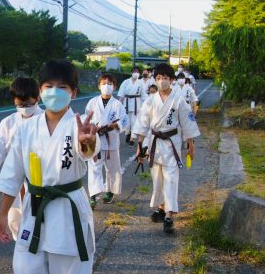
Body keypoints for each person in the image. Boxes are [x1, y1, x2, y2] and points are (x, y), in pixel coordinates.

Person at [0, 59, 100, 274]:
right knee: (25, 270)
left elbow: (88, 151)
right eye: (48, 86)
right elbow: (12, 174)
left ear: (73, 93)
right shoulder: (26, 129)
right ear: (40, 92)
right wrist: (4, 213)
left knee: (69, 273)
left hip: (67, 210)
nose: (55, 92)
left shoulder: (79, 127)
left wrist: (87, 141)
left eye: (62, 87)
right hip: (34, 209)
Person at [132, 63, 200, 234]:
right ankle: (162, 208)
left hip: (172, 143)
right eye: (159, 78)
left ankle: (169, 215)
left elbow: (188, 124)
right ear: (155, 80)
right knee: (157, 179)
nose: (162, 81)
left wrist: (190, 145)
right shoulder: (150, 101)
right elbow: (142, 124)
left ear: (172, 80)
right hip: (154, 142)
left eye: (166, 78)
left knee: (171, 178)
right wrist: (139, 146)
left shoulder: (179, 101)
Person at [0, 77, 43, 240]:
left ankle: (37, 245)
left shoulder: (46, 120)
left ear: (38, 98)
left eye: (29, 104)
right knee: (16, 215)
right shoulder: (8, 122)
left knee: (39, 215)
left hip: (39, 176)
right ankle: (21, 243)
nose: (25, 108)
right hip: (16, 177)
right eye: (20, 105)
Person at [85, 73, 128, 209]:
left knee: (113, 168)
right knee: (94, 168)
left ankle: (110, 191)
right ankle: (93, 195)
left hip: (111, 140)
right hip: (96, 140)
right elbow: (85, 119)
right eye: (104, 83)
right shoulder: (92, 102)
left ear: (114, 87)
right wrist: (92, 128)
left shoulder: (117, 104)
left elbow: (125, 120)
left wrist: (115, 125)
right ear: (99, 86)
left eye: (110, 84)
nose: (106, 86)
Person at [118, 67, 147, 145]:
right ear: (131, 72)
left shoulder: (141, 83)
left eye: (137, 72)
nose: (135, 73)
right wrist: (118, 105)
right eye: (134, 71)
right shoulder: (125, 82)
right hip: (126, 103)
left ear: (139, 74)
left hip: (136, 104)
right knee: (127, 121)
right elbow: (121, 95)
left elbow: (144, 96)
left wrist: (146, 105)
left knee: (134, 121)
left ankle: (132, 138)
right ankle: (128, 133)